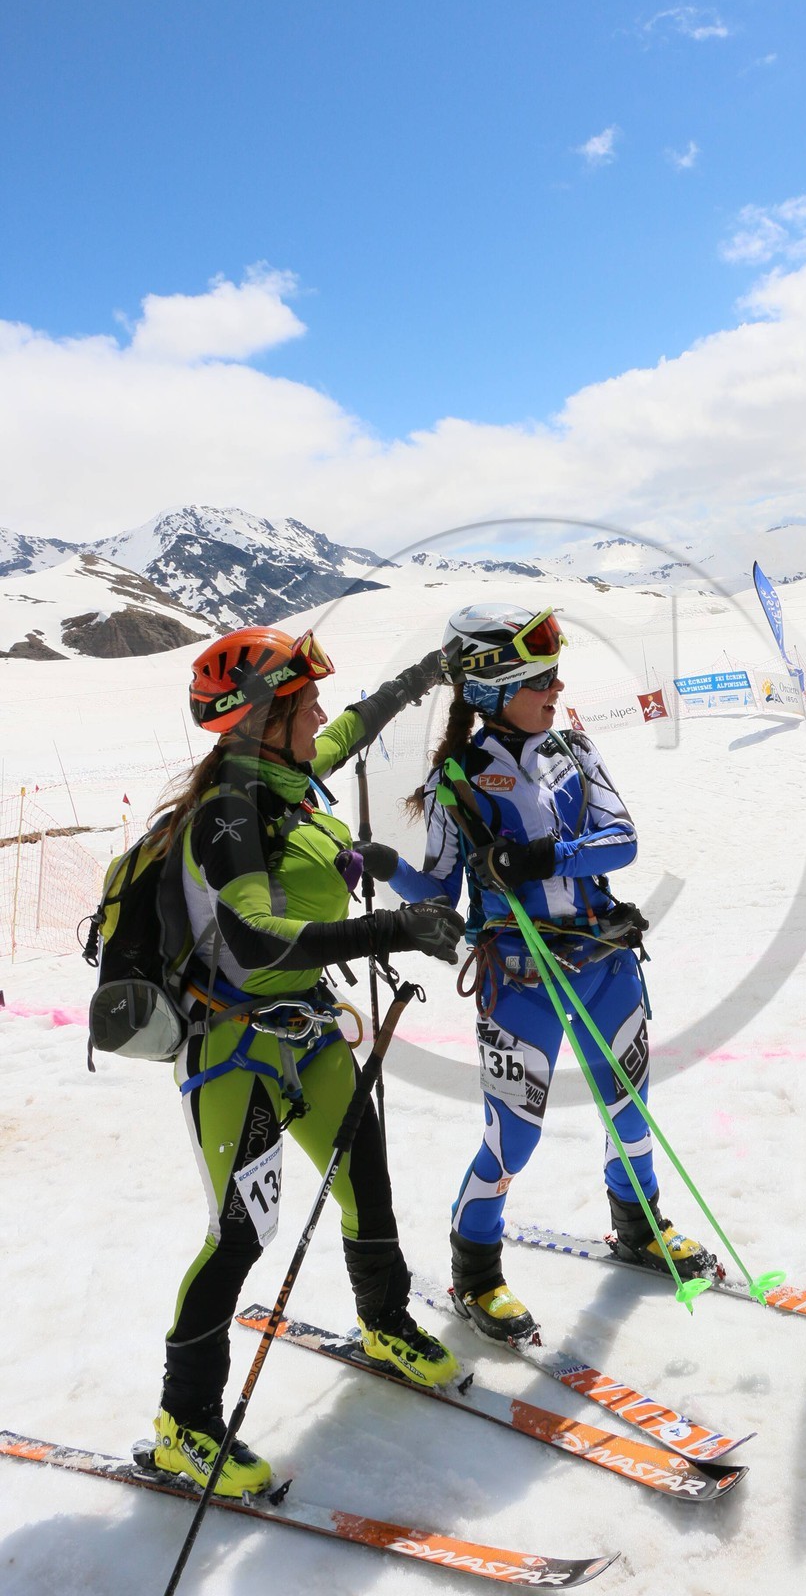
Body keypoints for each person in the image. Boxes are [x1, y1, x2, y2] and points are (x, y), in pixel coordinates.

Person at [150, 625, 465, 1497]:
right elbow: (253, 929)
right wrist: (387, 925)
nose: (320, 711)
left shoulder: (286, 776)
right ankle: (185, 1420)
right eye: (305, 701)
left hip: (309, 1031)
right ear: (264, 717)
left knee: (366, 1176)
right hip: (234, 1052)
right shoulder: (228, 814)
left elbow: (355, 723)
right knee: (242, 1236)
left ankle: (385, 1321)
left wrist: (426, 674)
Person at [359, 605, 710, 1343]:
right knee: (512, 1139)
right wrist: (389, 868)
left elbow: (622, 841)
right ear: (489, 689)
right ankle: (477, 1272)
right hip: (518, 985)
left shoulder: (574, 750)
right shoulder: (457, 780)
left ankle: (638, 1225)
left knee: (631, 1111)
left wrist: (539, 859)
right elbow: (443, 889)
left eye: (555, 675)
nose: (556, 687)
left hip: (603, 964)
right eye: (538, 678)